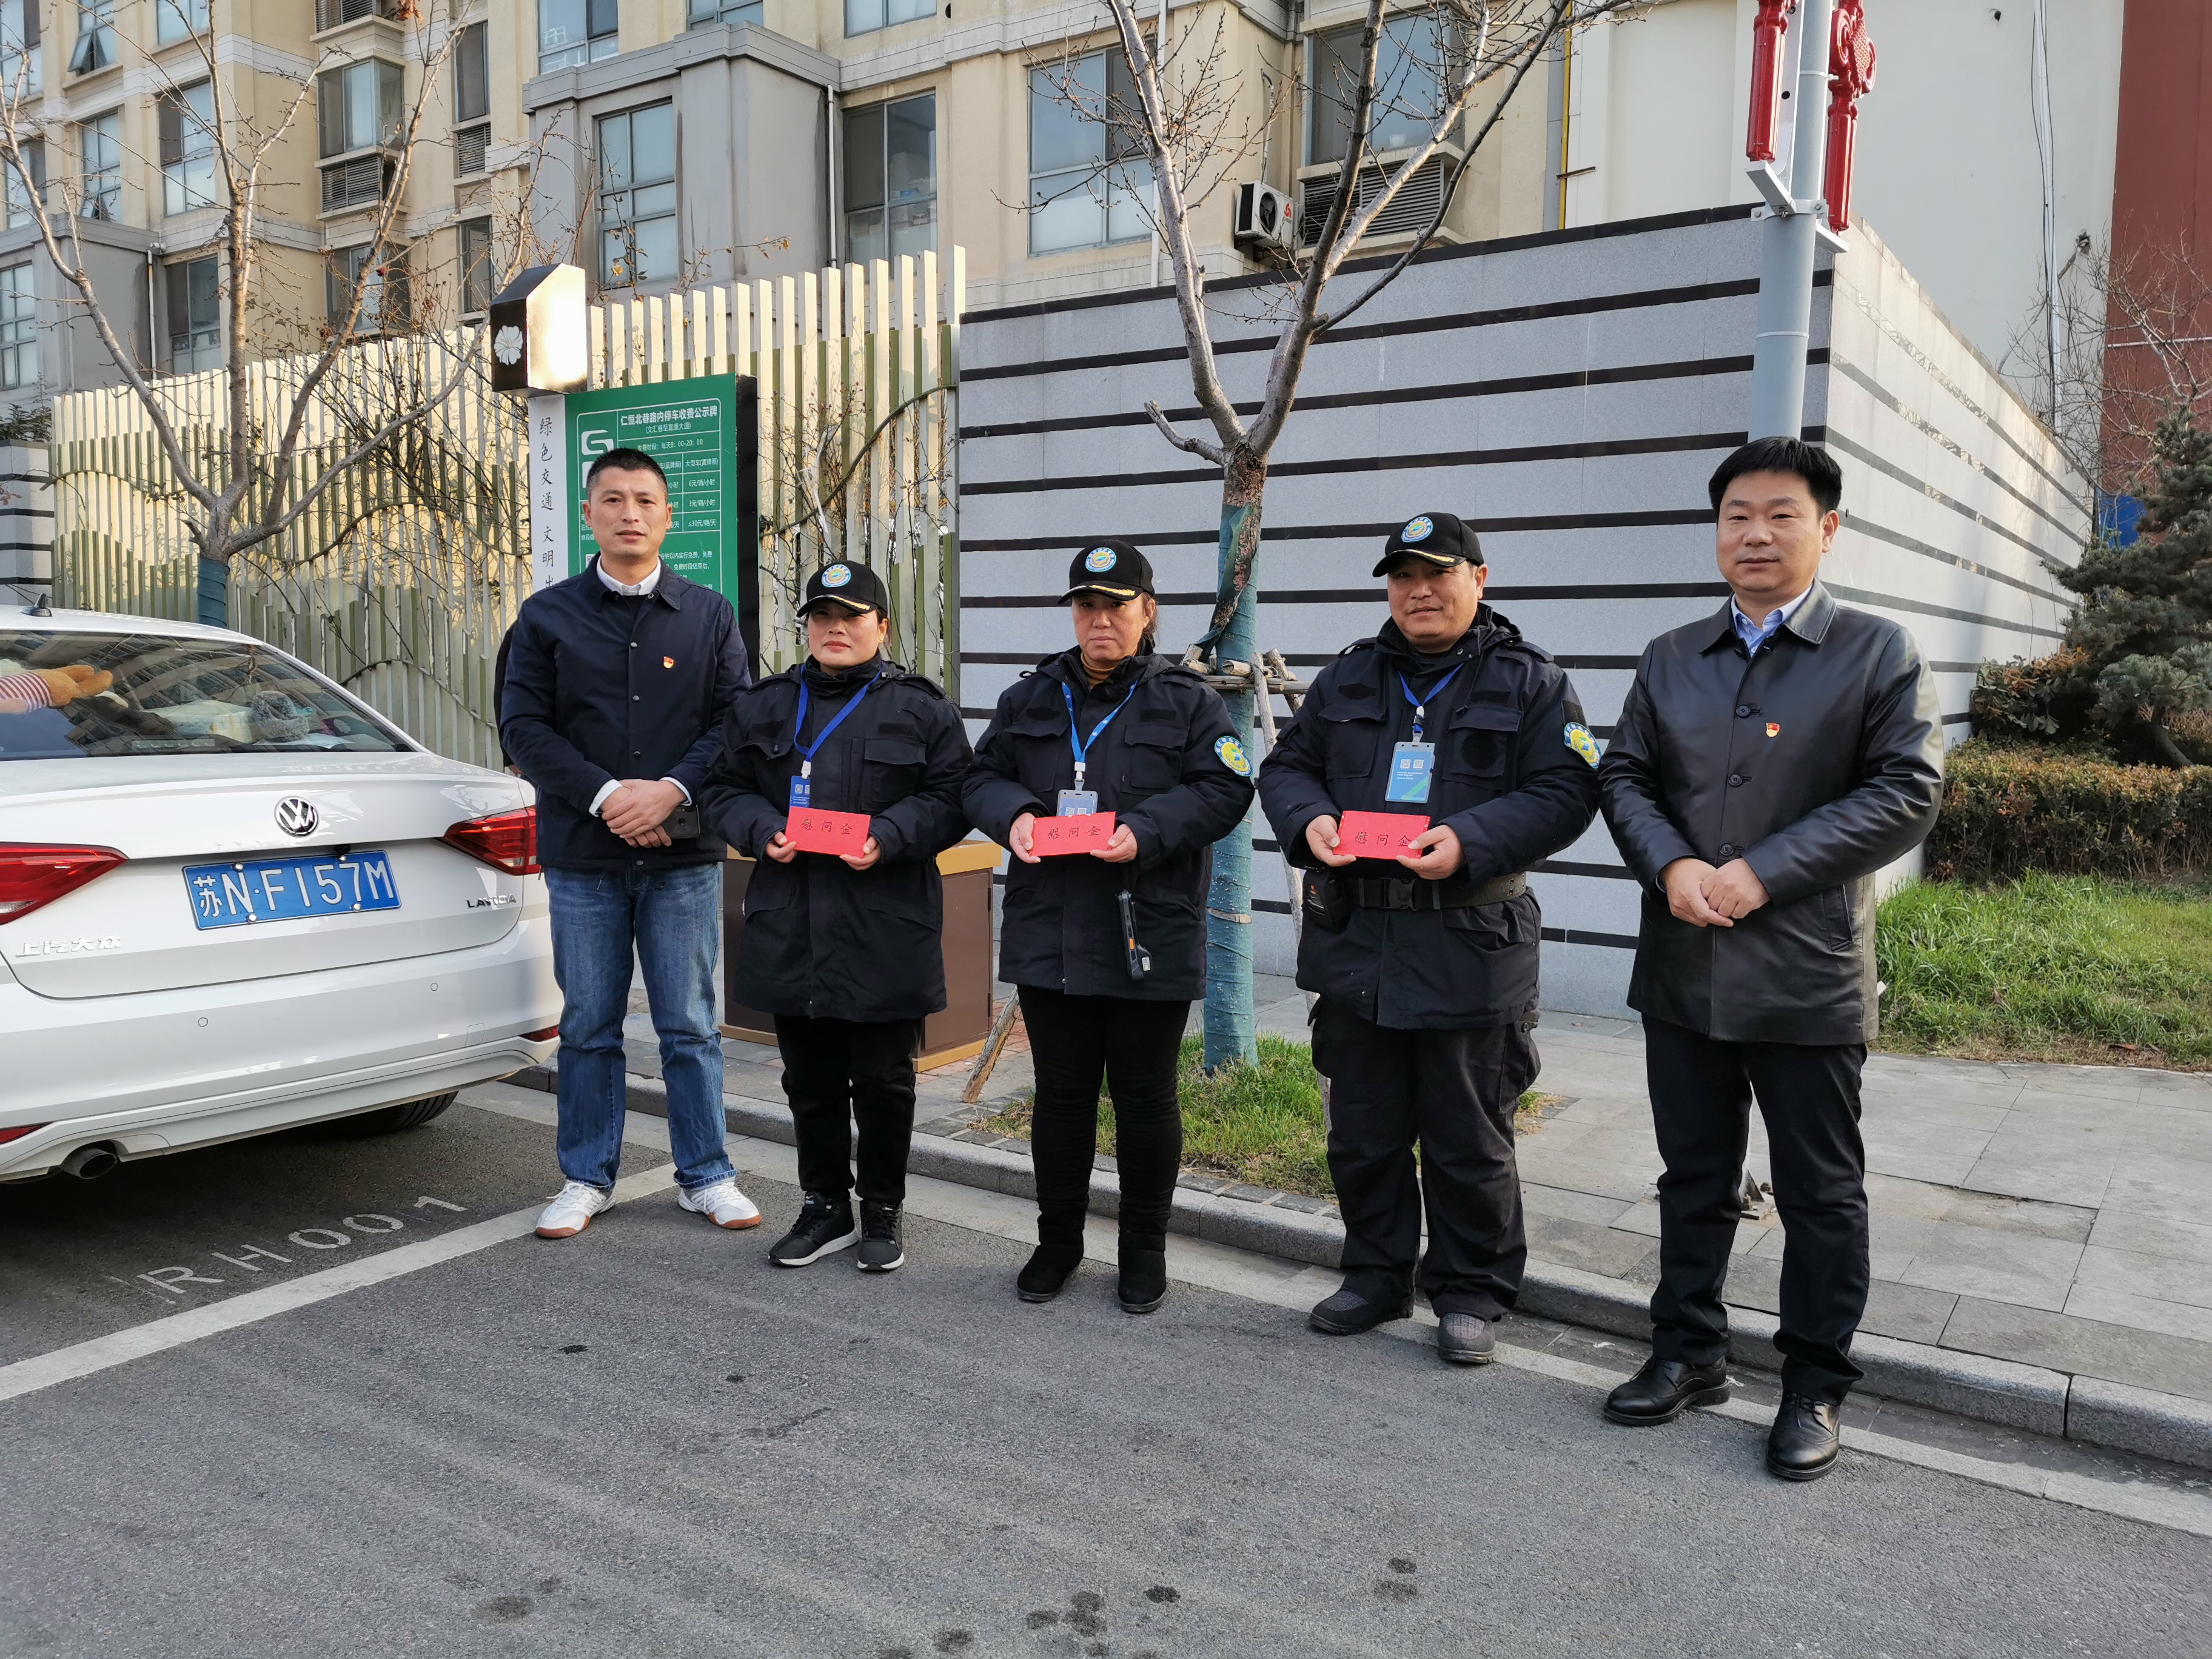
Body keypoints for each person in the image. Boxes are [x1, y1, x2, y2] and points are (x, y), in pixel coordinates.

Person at [1597, 437, 1942, 1481]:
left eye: (1780, 514)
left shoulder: (1877, 653)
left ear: (1826, 529)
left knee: (1820, 1192)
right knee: (1692, 1176)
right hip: (1684, 962)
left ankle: (1814, 1383)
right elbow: (1624, 777)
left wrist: (1762, 872)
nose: (1754, 534)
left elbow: (1905, 790)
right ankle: (1687, 1351)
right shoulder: (1671, 656)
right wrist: (1670, 866)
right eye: (1736, 516)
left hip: (1805, 970)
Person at [1257, 512, 1600, 1365]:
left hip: (1470, 941)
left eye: (1437, 574)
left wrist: (1471, 839)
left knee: (1468, 1135)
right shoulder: (1349, 677)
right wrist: (1311, 821)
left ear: (1477, 580)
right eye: (1402, 577)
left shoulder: (1530, 681)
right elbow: (1287, 767)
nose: (1418, 591)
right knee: (1362, 1132)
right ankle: (1375, 1275)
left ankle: (1471, 1289)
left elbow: (1567, 791)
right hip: (1357, 943)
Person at [964, 540, 1254, 1314]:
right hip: (1050, 926)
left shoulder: (1189, 702)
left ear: (1147, 612)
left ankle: (1143, 1248)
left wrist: (1145, 830)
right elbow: (979, 778)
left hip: (1146, 928)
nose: (1100, 620)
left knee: (1145, 1099)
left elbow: (1227, 789)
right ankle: (1057, 1241)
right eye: (1086, 606)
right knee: (1061, 1098)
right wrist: (1014, 816)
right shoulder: (1030, 697)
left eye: (1116, 606)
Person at [500, 446, 760, 1241]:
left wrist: (670, 790)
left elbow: (736, 722)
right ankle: (587, 1176)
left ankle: (706, 1174)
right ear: (589, 515)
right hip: (585, 859)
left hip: (682, 857)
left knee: (690, 1024)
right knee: (588, 1024)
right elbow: (523, 728)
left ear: (668, 515)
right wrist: (610, 796)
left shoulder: (709, 614)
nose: (630, 514)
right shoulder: (546, 616)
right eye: (612, 499)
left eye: (645, 500)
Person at [699, 560, 973, 1273]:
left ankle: (882, 1207)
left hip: (884, 920)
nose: (835, 628)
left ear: (882, 627)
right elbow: (722, 788)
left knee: (884, 1081)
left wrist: (890, 834)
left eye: (851, 617)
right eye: (822, 616)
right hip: (792, 920)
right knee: (809, 1081)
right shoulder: (764, 705)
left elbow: (954, 797)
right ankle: (824, 1205)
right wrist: (761, 829)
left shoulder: (921, 709)